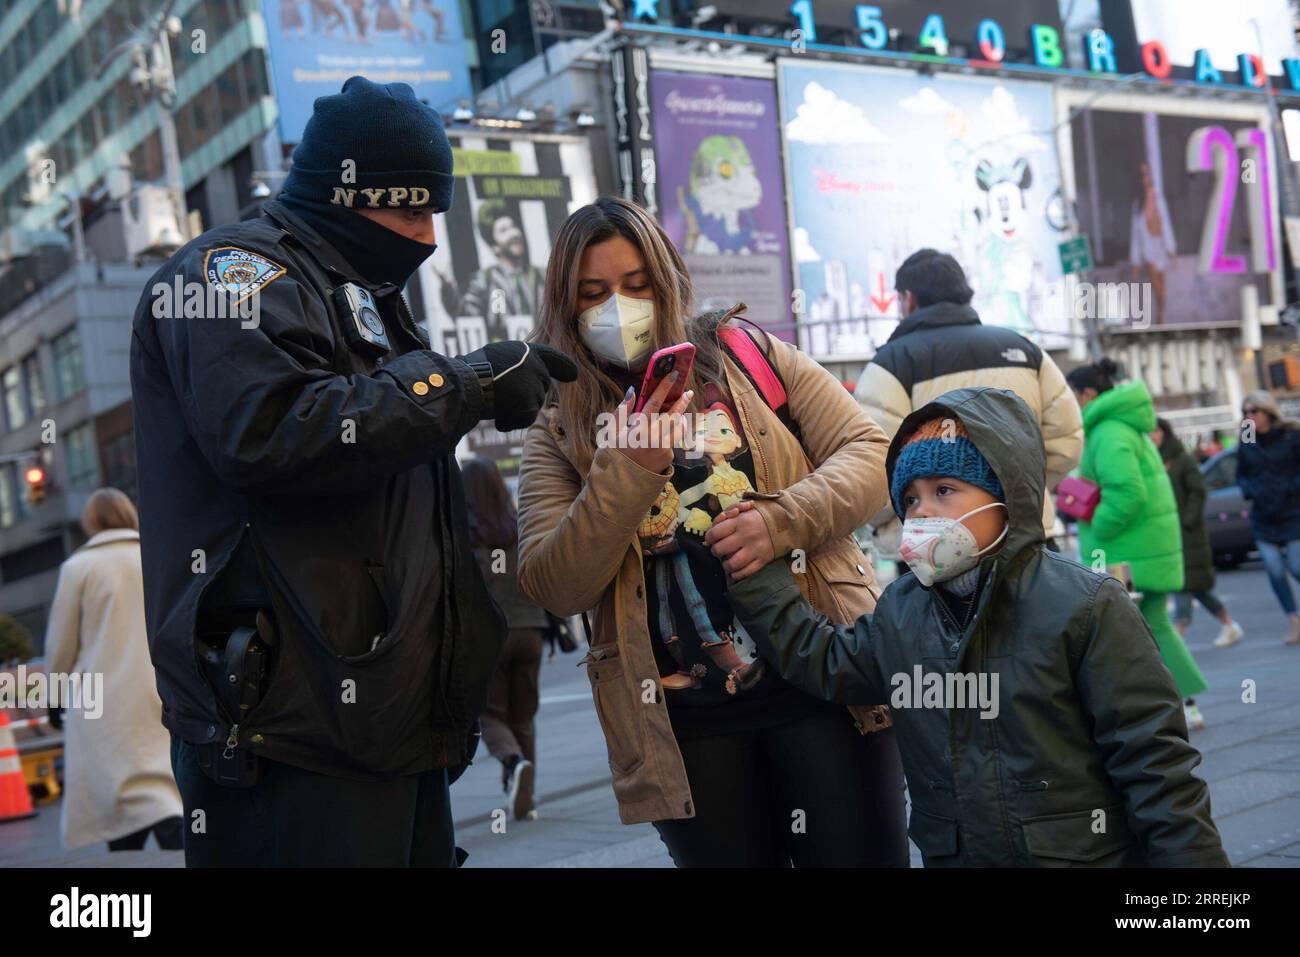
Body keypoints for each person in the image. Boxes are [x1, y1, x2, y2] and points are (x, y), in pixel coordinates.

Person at [129, 76, 576, 867]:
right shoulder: (228, 276)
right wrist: (465, 384)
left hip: (381, 721)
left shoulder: (357, 292)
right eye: (412, 210)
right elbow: (269, 431)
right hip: (292, 731)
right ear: (348, 194)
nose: (429, 236)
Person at [516, 196, 908, 867]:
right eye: (594, 292)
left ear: (666, 283)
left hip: (824, 686)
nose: (618, 306)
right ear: (566, 306)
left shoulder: (744, 353)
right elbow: (555, 581)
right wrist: (629, 469)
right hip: (687, 730)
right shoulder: (558, 425)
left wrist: (781, 519)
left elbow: (873, 452)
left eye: (637, 286)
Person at [720, 387, 1229, 867]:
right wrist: (757, 576)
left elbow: (1156, 767)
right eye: (912, 500)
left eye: (945, 490)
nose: (923, 513)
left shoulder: (1086, 606)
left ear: (1006, 496)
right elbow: (827, 661)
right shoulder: (902, 610)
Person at [856, 249, 1082, 556]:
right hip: (1028, 537)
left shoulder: (891, 364)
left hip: (935, 551)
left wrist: (905, 511)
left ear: (908, 299)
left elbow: (874, 472)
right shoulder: (1026, 351)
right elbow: (1066, 443)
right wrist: (1020, 495)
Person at [1067, 359, 1209, 731]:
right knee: (1154, 625)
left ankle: (1168, 707)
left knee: (1127, 631)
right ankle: (1184, 703)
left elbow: (1127, 492)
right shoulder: (1127, 425)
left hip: (1124, 554)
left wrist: (1097, 522)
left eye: (1072, 396)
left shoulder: (1108, 430)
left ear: (1087, 394)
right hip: (1142, 549)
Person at [43, 489, 183, 853]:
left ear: (91, 522)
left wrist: (53, 699)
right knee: (163, 780)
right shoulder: (156, 554)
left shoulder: (78, 568)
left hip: (103, 697)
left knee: (118, 793)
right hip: (159, 685)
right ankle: (176, 841)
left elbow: (60, 648)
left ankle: (127, 876)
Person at [462, 457, 549, 821]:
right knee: (524, 716)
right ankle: (524, 802)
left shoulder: (466, 537)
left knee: (490, 715)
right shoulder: (520, 530)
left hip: (491, 638)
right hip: (531, 631)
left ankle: (513, 763)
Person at [1150, 417, 1244, 648]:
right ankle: (1229, 625)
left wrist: (1188, 520)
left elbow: (1197, 491)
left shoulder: (1182, 459)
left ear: (1165, 432)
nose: (1153, 435)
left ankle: (1177, 638)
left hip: (1188, 532)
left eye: (1156, 431)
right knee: (1196, 587)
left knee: (1183, 583)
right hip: (1167, 532)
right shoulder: (1151, 460)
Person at [1236, 390, 1300, 646]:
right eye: (1245, 413)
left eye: (1254, 411)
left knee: (1296, 566)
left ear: (1268, 411)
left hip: (1293, 512)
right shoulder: (1247, 439)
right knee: (1273, 569)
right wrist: (1248, 489)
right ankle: (1294, 620)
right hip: (1263, 515)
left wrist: (1293, 488)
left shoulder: (1291, 435)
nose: (1250, 417)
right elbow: (1241, 472)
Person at [460, 199, 546, 319]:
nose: (514, 233)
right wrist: (447, 289)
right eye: (503, 230)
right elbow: (467, 315)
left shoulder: (545, 275)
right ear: (494, 246)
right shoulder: (483, 282)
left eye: (513, 226)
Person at [1130, 162, 1175, 326]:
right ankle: (1160, 321)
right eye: (1143, 175)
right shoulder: (1138, 205)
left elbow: (1166, 224)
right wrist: (1135, 262)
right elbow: (1136, 236)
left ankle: (1160, 319)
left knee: (1162, 292)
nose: (1146, 178)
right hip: (1149, 251)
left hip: (1161, 248)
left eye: (1147, 173)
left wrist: (1171, 250)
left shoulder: (1158, 198)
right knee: (1159, 291)